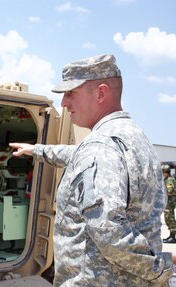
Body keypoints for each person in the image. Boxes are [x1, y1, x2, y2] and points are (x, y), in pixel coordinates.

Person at [10, 54, 173, 286]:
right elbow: (78, 155)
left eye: (71, 93)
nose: (64, 103)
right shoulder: (130, 136)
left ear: (101, 93)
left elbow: (107, 229)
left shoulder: (100, 146)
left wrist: (160, 267)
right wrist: (36, 149)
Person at [162, 164, 176, 243]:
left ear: (165, 172)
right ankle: (171, 236)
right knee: (169, 219)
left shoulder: (169, 180)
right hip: (168, 202)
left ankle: (172, 237)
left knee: (170, 219)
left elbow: (170, 191)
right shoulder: (167, 179)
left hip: (170, 202)